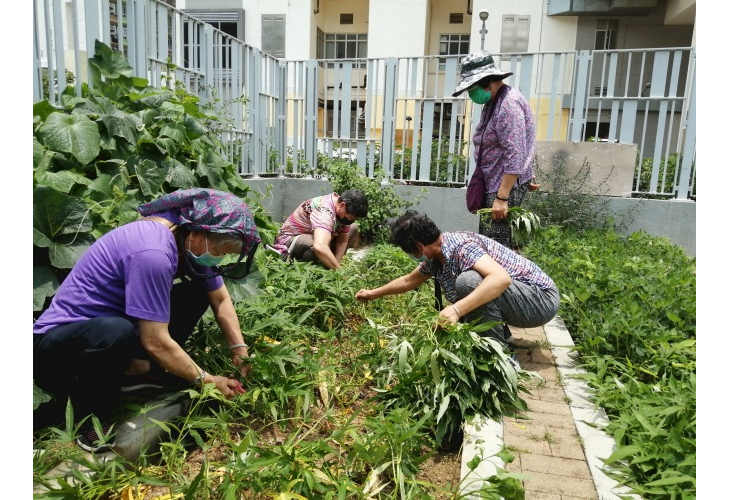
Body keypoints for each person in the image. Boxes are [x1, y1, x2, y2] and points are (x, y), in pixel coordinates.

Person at [33, 188, 261, 453]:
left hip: (114, 332)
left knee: (197, 293)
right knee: (112, 331)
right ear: (199, 231)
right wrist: (208, 380)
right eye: (220, 248)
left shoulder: (184, 237)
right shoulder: (152, 250)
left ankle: (137, 373)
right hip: (59, 345)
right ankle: (91, 416)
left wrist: (239, 351)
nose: (220, 256)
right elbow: (155, 340)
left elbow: (220, 299)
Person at [355, 211, 559, 346]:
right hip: (523, 298)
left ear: (418, 246)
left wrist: (456, 309)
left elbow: (500, 279)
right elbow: (409, 281)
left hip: (540, 301)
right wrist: (372, 294)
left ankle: (498, 355)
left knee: (469, 282)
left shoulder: (461, 246)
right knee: (467, 290)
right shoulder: (438, 255)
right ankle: (498, 332)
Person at [452, 51, 537, 250]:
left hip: (502, 188)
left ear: (488, 81)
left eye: (472, 88)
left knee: (496, 250)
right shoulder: (494, 102)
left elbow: (515, 152)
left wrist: (502, 197)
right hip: (496, 183)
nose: (471, 94)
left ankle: (502, 282)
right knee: (490, 244)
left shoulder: (508, 105)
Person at [272, 189, 369, 270]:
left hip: (317, 236)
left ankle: (327, 264)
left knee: (353, 228)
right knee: (315, 246)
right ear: (342, 205)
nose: (350, 221)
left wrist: (335, 266)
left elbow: (342, 241)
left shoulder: (340, 208)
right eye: (350, 218)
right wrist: (339, 272)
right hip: (289, 240)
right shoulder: (324, 211)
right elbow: (319, 247)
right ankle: (304, 267)